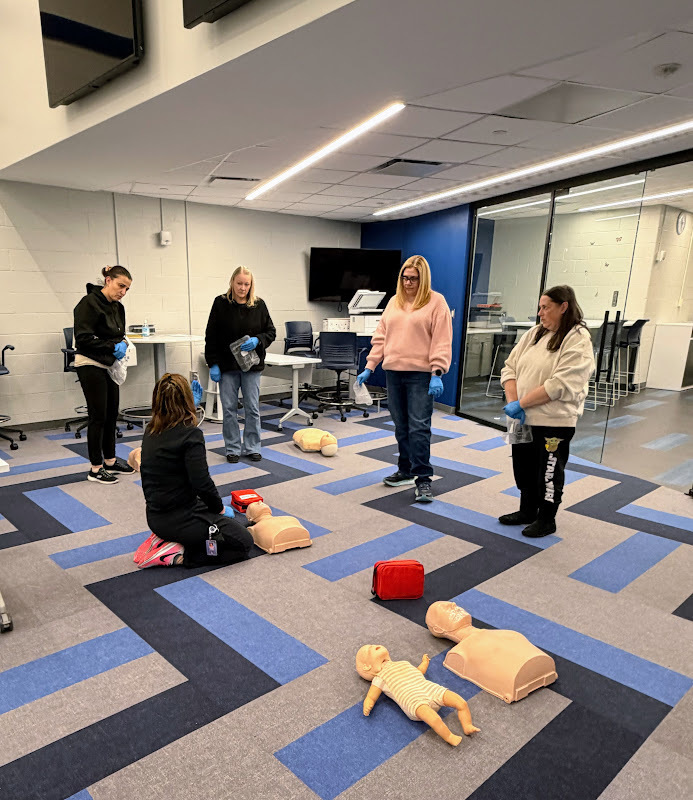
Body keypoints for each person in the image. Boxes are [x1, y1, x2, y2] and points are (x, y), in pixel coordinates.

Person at [499, 285, 595, 538]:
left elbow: (561, 384)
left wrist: (522, 403)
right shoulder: (533, 334)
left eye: (546, 308)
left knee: (549, 472)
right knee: (523, 468)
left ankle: (547, 518)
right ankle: (527, 510)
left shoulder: (577, 339)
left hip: (554, 421)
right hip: (522, 417)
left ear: (564, 307)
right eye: (539, 307)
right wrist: (514, 403)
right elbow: (509, 368)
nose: (540, 313)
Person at [357, 255, 452, 503]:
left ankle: (423, 480)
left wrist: (437, 372)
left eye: (414, 278)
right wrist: (370, 365)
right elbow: (381, 337)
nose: (408, 282)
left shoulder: (436, 302)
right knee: (401, 427)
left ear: (423, 279)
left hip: (421, 375)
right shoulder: (394, 302)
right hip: (394, 373)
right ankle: (406, 469)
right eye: (405, 277)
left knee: (419, 427)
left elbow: (442, 341)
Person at [135, 373, 253, 568]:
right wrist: (219, 509)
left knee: (231, 525)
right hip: (180, 518)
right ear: (187, 400)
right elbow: (202, 483)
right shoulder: (191, 435)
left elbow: (175, 437)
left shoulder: (151, 429)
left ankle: (168, 540)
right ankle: (178, 556)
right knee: (243, 542)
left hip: (157, 516)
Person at [204, 266, 276, 463]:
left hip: (251, 367)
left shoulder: (259, 305)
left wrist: (258, 340)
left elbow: (271, 332)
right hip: (227, 367)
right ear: (232, 282)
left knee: (252, 407)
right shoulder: (220, 303)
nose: (242, 288)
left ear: (251, 285)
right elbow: (211, 336)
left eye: (246, 284)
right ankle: (232, 449)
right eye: (239, 283)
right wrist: (213, 364)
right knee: (228, 409)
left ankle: (252, 446)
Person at [73, 265, 136, 485]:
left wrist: (120, 345)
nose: (123, 292)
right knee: (98, 416)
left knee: (111, 414)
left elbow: (120, 335)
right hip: (89, 363)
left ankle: (110, 461)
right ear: (108, 280)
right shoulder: (88, 303)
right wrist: (111, 346)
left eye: (127, 289)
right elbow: (83, 338)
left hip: (109, 365)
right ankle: (95, 468)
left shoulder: (118, 307)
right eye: (121, 286)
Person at [356, 644, 480, 746]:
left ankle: (467, 725)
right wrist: (368, 703)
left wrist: (424, 662)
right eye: (369, 649)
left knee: (461, 702)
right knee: (434, 718)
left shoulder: (403, 663)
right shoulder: (379, 678)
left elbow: (418, 671)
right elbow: (372, 695)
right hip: (412, 699)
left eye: (373, 645)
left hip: (429, 688)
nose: (374, 646)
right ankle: (449, 736)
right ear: (367, 667)